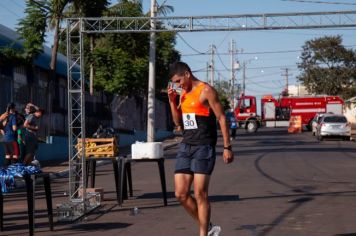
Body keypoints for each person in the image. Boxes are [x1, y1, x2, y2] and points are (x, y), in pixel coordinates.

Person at [167, 61, 234, 236]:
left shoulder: (206, 90)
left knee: (200, 194)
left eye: (178, 81)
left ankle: (203, 233)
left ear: (187, 74)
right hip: (186, 146)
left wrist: (227, 146)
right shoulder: (182, 94)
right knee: (180, 194)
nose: (177, 85)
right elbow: (177, 122)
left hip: (204, 147)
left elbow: (221, 118)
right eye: (174, 83)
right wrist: (172, 101)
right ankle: (210, 228)